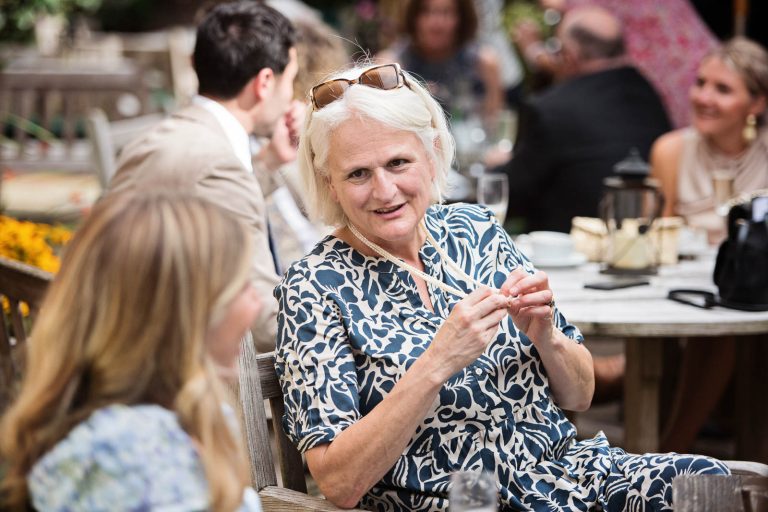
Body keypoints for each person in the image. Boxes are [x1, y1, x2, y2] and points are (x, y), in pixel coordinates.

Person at [274, 62, 728, 511]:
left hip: (564, 475)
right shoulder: (314, 285)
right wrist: (436, 363)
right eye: (358, 173)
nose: (385, 190)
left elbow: (581, 394)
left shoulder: (474, 229)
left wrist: (546, 336)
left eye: (398, 162)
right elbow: (339, 482)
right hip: (464, 498)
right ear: (330, 184)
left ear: (431, 154)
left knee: (705, 485)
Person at [0, 192, 262, 511]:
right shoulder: (133, 458)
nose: (257, 302)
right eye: (241, 286)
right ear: (181, 316)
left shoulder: (176, 419)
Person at [108, 1, 299, 352]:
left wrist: (269, 162)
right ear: (265, 82)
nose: (291, 98)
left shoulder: (152, 141)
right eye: (291, 81)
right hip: (181, 368)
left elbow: (200, 202)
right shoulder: (219, 170)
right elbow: (264, 323)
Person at [650, 37, 768, 453]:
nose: (703, 97)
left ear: (756, 104)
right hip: (685, 296)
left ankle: (674, 450)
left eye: (722, 89)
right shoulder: (671, 150)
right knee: (715, 326)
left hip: (754, 295)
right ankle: (672, 449)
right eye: (701, 83)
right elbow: (659, 237)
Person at [493, 5, 671, 234]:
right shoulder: (649, 93)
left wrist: (490, 170)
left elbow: (513, 194)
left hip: (568, 242)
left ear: (570, 56)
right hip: (639, 236)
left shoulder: (552, 108)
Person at [516, 0, 717, 128]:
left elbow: (573, 62)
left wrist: (533, 51)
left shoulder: (584, 14)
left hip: (664, 86)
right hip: (704, 63)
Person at [376, 0, 504, 124]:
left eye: (446, 12)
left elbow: (493, 127)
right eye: (426, 11)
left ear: (461, 17)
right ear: (414, 16)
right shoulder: (391, 67)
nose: (436, 23)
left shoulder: (484, 65)